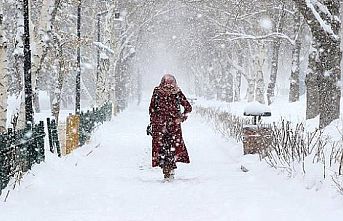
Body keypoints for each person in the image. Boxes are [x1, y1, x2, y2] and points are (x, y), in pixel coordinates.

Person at [149, 74, 192, 180]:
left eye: (170, 85)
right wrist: (154, 121)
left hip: (171, 127)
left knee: (170, 149)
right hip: (161, 127)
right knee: (164, 149)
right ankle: (167, 170)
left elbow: (188, 108)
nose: (168, 87)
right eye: (166, 84)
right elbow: (152, 108)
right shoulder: (158, 92)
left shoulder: (177, 92)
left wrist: (182, 118)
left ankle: (169, 171)